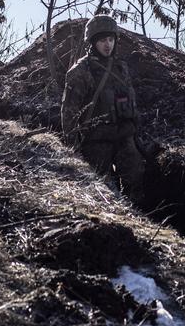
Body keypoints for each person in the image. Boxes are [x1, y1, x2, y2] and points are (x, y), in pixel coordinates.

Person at [61, 14, 146, 202]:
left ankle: (140, 225)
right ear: (92, 42)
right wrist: (73, 149)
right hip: (97, 141)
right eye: (102, 40)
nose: (107, 45)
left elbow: (131, 101)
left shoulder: (121, 68)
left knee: (136, 182)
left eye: (110, 39)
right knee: (101, 193)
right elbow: (69, 113)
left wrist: (137, 134)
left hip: (125, 137)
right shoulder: (80, 71)